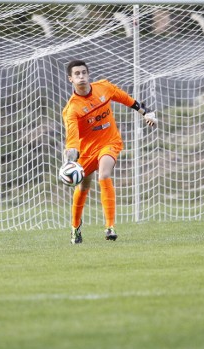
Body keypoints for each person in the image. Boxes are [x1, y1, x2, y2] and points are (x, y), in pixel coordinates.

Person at [62, 59, 156, 244]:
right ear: (70, 79)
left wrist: (145, 112)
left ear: (88, 75)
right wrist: (68, 163)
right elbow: (72, 143)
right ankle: (75, 228)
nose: (81, 76)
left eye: (84, 72)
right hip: (87, 151)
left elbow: (125, 99)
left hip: (109, 142)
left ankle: (110, 226)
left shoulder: (103, 87)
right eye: (77, 74)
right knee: (83, 187)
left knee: (104, 173)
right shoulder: (71, 109)